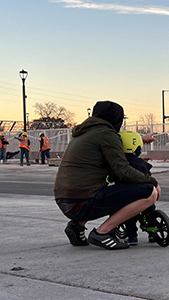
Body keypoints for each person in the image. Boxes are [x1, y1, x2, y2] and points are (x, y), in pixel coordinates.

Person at [54, 100, 160, 250]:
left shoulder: (84, 133)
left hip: (66, 201)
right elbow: (123, 171)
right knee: (148, 192)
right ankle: (102, 233)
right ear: (116, 119)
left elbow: (111, 145)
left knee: (108, 187)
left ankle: (77, 227)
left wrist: (141, 140)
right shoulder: (107, 134)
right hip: (82, 202)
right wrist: (152, 181)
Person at [117, 130, 157, 245]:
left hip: (129, 197)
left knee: (129, 215)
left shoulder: (120, 164)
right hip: (145, 196)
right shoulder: (142, 163)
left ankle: (132, 237)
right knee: (150, 211)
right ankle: (152, 231)